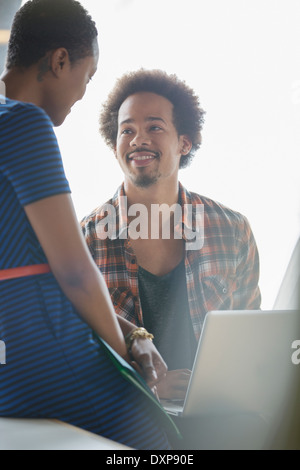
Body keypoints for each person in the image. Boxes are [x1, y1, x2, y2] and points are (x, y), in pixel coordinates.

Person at [0, 0, 174, 451]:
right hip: (49, 351)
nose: (82, 94)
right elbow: (74, 271)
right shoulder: (23, 123)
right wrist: (128, 350)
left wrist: (135, 333)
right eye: (87, 76)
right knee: (168, 443)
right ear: (60, 61)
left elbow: (32, 266)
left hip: (8, 372)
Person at [81, 69, 262, 400]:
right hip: (127, 418)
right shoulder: (85, 240)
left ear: (184, 142)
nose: (138, 139)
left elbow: (253, 342)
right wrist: (147, 386)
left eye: (154, 127)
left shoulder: (232, 231)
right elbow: (75, 351)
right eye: (127, 130)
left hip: (219, 415)